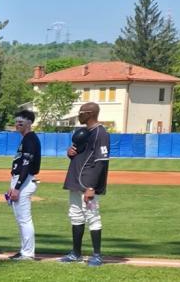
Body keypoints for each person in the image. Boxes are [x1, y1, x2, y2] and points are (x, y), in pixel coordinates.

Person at [58, 101, 109, 267]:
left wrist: (91, 187)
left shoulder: (100, 133)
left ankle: (97, 255)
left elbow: (101, 162)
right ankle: (76, 253)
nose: (79, 115)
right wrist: (70, 152)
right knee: (75, 215)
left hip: (87, 182)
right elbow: (78, 153)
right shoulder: (83, 132)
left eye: (81, 112)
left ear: (90, 114)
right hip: (75, 180)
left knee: (93, 217)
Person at [6, 109, 41, 262]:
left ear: (29, 123)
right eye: (17, 121)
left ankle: (28, 253)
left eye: (22, 120)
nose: (18, 123)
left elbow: (26, 166)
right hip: (21, 180)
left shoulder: (30, 139)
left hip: (25, 182)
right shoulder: (25, 139)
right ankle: (24, 250)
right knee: (21, 219)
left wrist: (17, 187)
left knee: (24, 219)